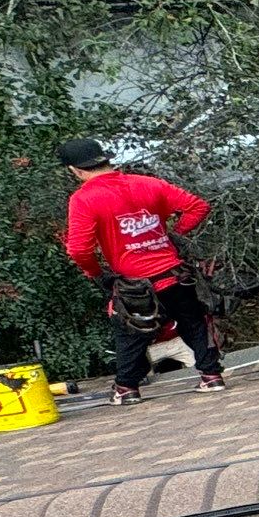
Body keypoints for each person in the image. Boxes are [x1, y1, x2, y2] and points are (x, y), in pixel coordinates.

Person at [58, 137, 225, 404]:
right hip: (174, 274)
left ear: (75, 170)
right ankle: (212, 376)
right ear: (105, 159)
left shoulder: (84, 199)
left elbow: (78, 250)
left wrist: (96, 274)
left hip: (134, 284)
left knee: (130, 332)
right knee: (193, 322)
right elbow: (198, 206)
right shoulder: (148, 183)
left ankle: (126, 389)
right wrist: (174, 236)